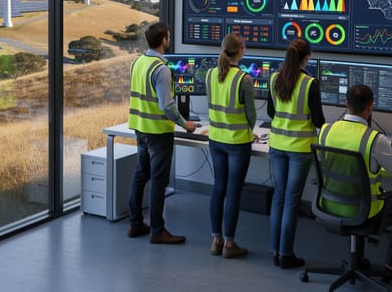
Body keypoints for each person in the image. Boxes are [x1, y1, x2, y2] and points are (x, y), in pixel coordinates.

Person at [318, 84, 392, 283]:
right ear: (370, 107)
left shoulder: (326, 131)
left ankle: (358, 259)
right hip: (365, 211)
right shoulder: (375, 140)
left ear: (346, 104)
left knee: (361, 196)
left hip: (329, 205)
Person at [127, 22, 197, 244]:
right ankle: (157, 230)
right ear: (165, 39)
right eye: (169, 36)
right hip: (158, 131)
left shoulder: (138, 62)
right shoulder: (162, 69)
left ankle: (135, 223)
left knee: (141, 176)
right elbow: (167, 105)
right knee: (158, 181)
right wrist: (184, 124)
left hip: (140, 128)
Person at [266, 38, 325, 269]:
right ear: (307, 57)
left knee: (279, 199)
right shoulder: (310, 83)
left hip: (277, 145)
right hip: (299, 149)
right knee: (291, 201)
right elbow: (319, 120)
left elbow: (272, 112)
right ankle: (286, 254)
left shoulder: (274, 79)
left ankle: (275, 251)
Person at [206, 32, 256, 258]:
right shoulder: (244, 79)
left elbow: (210, 104)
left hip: (216, 139)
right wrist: (250, 132)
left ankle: (215, 240)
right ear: (241, 50)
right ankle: (229, 244)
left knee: (218, 189)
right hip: (237, 143)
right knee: (234, 193)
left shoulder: (209, 75)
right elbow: (251, 116)